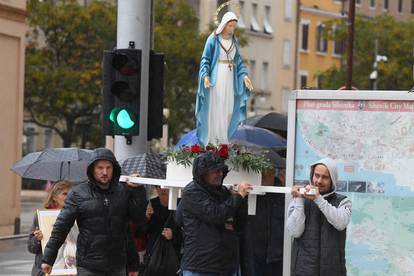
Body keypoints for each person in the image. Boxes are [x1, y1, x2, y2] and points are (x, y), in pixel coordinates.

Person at [41, 148, 147, 276]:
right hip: (88, 266)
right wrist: (48, 258)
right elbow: (61, 227)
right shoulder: (78, 193)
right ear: (92, 169)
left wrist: (138, 190)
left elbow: (136, 221)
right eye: (100, 168)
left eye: (108, 168)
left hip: (117, 265)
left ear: (114, 169)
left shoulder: (123, 192)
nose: (105, 172)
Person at [176, 151, 251, 276]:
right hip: (200, 267)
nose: (220, 174)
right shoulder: (192, 192)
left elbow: (240, 223)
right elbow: (216, 215)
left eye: (221, 171)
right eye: (215, 171)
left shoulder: (224, 192)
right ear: (203, 173)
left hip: (226, 266)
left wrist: (240, 200)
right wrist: (238, 197)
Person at [195, 11, 253, 146]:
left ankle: (223, 140)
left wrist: (244, 76)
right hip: (218, 77)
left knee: (229, 109)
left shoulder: (234, 40)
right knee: (217, 107)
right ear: (224, 25)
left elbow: (238, 61)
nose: (232, 29)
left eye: (234, 26)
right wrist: (205, 76)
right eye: (230, 26)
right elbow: (205, 59)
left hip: (230, 78)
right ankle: (214, 141)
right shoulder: (213, 39)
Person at [287, 158, 352, 276]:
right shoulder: (299, 200)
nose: (319, 181)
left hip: (333, 270)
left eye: (325, 177)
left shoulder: (343, 201)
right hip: (303, 270)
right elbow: (295, 232)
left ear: (333, 179)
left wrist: (318, 199)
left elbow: (341, 223)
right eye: (316, 175)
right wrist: (298, 199)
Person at [240, 154, 286, 276]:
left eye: (268, 172)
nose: (263, 176)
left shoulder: (282, 193)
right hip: (253, 253)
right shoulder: (250, 193)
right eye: (261, 172)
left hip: (277, 255)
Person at [28, 180, 71, 276]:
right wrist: (37, 239)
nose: (68, 197)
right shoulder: (42, 217)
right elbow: (31, 248)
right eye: (65, 194)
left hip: (68, 270)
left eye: (70, 194)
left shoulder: (75, 216)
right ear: (55, 197)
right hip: (44, 271)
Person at [144, 187, 182, 259]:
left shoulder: (181, 204)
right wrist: (147, 218)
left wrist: (173, 235)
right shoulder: (151, 204)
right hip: (153, 254)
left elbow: (188, 232)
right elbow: (141, 232)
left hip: (174, 255)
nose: (162, 190)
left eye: (166, 187)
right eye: (159, 187)